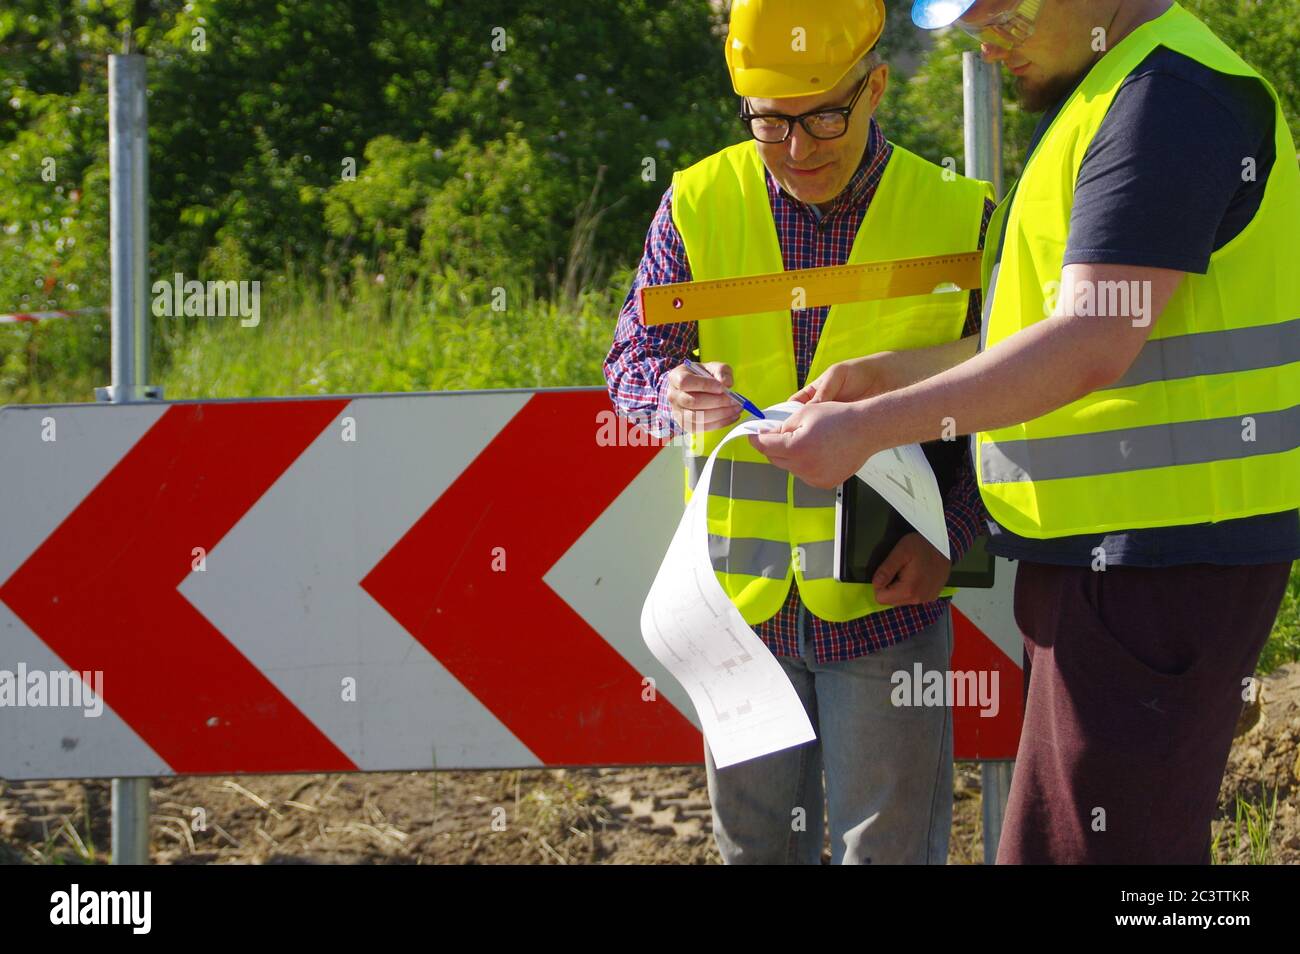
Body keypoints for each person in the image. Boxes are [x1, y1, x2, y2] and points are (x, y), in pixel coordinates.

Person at [749, 0, 1300, 863]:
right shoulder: (1126, 90)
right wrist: (893, 377)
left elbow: (1089, 341)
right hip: (1125, 559)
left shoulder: (1169, 98)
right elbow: (1058, 330)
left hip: (1154, 558)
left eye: (1001, 8)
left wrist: (864, 429)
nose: (983, 34)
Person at [603, 0, 996, 864]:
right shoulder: (697, 203)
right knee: (755, 851)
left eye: (824, 114)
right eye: (771, 122)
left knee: (889, 852)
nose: (798, 148)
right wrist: (671, 390)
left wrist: (955, 535)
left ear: (876, 86)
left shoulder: (962, 218)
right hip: (738, 615)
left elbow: (1012, 406)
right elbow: (632, 354)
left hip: (889, 598)